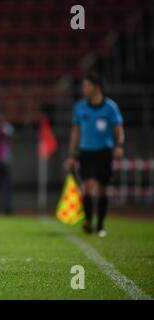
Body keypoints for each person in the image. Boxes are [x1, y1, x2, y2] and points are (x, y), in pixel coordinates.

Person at [65, 72, 124, 237]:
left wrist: (119, 145)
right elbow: (75, 132)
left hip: (104, 152)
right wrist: (71, 153)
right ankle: (89, 222)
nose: (84, 89)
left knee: (103, 190)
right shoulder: (80, 107)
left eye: (86, 86)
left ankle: (100, 225)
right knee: (88, 187)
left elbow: (118, 128)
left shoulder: (110, 107)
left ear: (96, 87)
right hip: (86, 153)